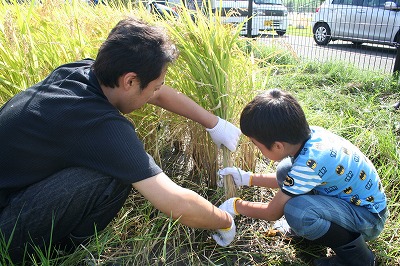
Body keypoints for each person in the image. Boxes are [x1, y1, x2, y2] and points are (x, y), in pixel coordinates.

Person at [0, 17, 240, 261]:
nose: (155, 94)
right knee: (113, 176)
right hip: (4, 230)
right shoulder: (100, 124)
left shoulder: (80, 71)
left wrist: (213, 123)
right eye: (155, 86)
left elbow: (157, 93)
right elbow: (176, 202)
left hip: (11, 194)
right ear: (130, 81)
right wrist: (224, 220)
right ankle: (62, 254)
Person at [218, 89, 388, 266]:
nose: (256, 148)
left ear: (277, 146)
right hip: (357, 204)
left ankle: (358, 259)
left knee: (297, 211)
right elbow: (292, 181)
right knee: (285, 170)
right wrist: (248, 178)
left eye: (257, 145)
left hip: (369, 220)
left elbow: (272, 212)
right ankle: (311, 231)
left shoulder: (309, 163)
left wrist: (235, 206)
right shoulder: (311, 137)